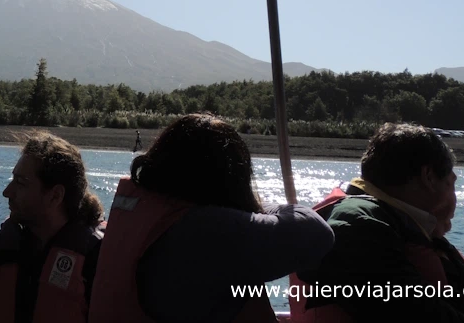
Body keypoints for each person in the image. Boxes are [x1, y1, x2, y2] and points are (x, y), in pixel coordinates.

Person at [88, 113, 335, 323]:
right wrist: (250, 206)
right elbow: (316, 233)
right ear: (231, 180)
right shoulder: (209, 231)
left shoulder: (146, 216)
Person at [292, 123, 464, 322]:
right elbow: (417, 311)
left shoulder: (388, 222)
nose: (455, 198)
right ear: (428, 177)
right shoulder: (358, 227)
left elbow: (453, 289)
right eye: (452, 182)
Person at [0, 131, 106, 323]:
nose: (7, 192)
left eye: (21, 183)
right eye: (12, 180)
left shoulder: (98, 261)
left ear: (55, 196)